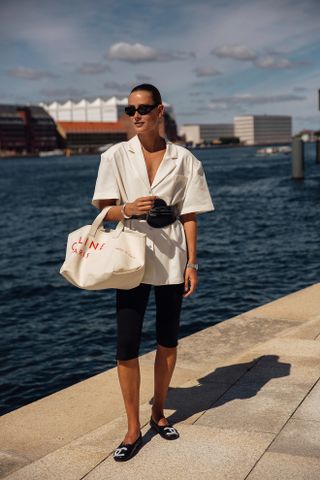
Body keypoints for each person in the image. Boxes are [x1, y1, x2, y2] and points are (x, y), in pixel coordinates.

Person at [91, 84, 214, 461]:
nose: (136, 115)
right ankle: (132, 428)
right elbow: (104, 211)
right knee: (126, 345)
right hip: (130, 259)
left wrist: (192, 262)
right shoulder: (114, 156)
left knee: (168, 340)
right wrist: (127, 209)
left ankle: (158, 413)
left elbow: (189, 213)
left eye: (144, 108)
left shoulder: (185, 159)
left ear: (160, 111)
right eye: (130, 109)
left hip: (173, 258)